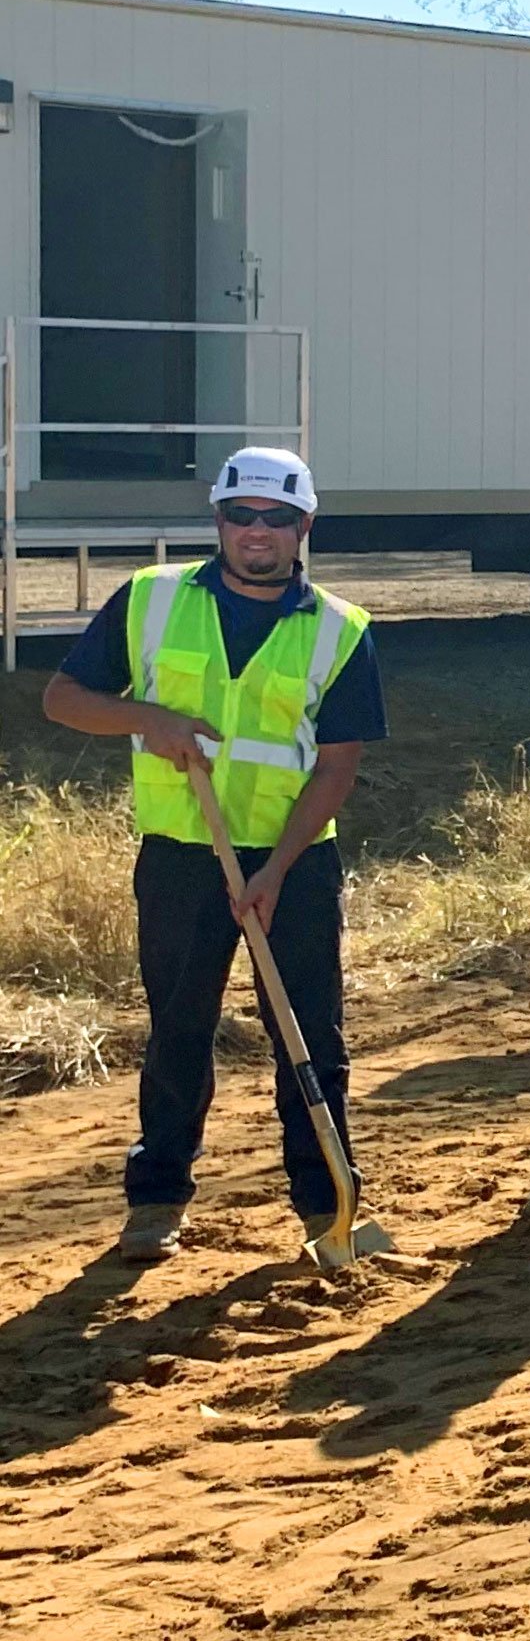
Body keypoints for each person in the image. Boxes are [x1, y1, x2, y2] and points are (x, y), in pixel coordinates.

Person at [41, 449, 384, 1254]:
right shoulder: (151, 600)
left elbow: (337, 769)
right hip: (182, 856)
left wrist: (273, 870)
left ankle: (328, 1202)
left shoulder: (341, 629)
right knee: (179, 1029)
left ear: (304, 527)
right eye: (241, 515)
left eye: (275, 518)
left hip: (293, 863)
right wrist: (146, 720)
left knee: (310, 1035)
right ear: (218, 521)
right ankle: (157, 1199)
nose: (256, 532)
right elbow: (62, 699)